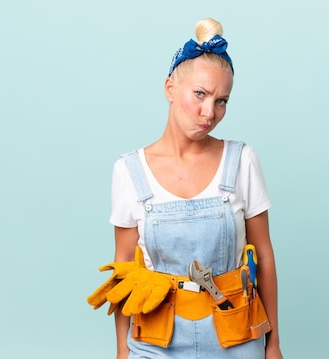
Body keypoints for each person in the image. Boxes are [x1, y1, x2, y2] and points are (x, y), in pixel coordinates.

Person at [88, 18, 283, 359]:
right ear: (170, 89)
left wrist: (274, 345)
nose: (210, 112)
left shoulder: (242, 161)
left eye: (222, 101)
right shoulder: (129, 172)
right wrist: (122, 351)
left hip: (237, 335)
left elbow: (263, 255)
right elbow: (124, 270)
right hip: (154, 341)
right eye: (200, 94)